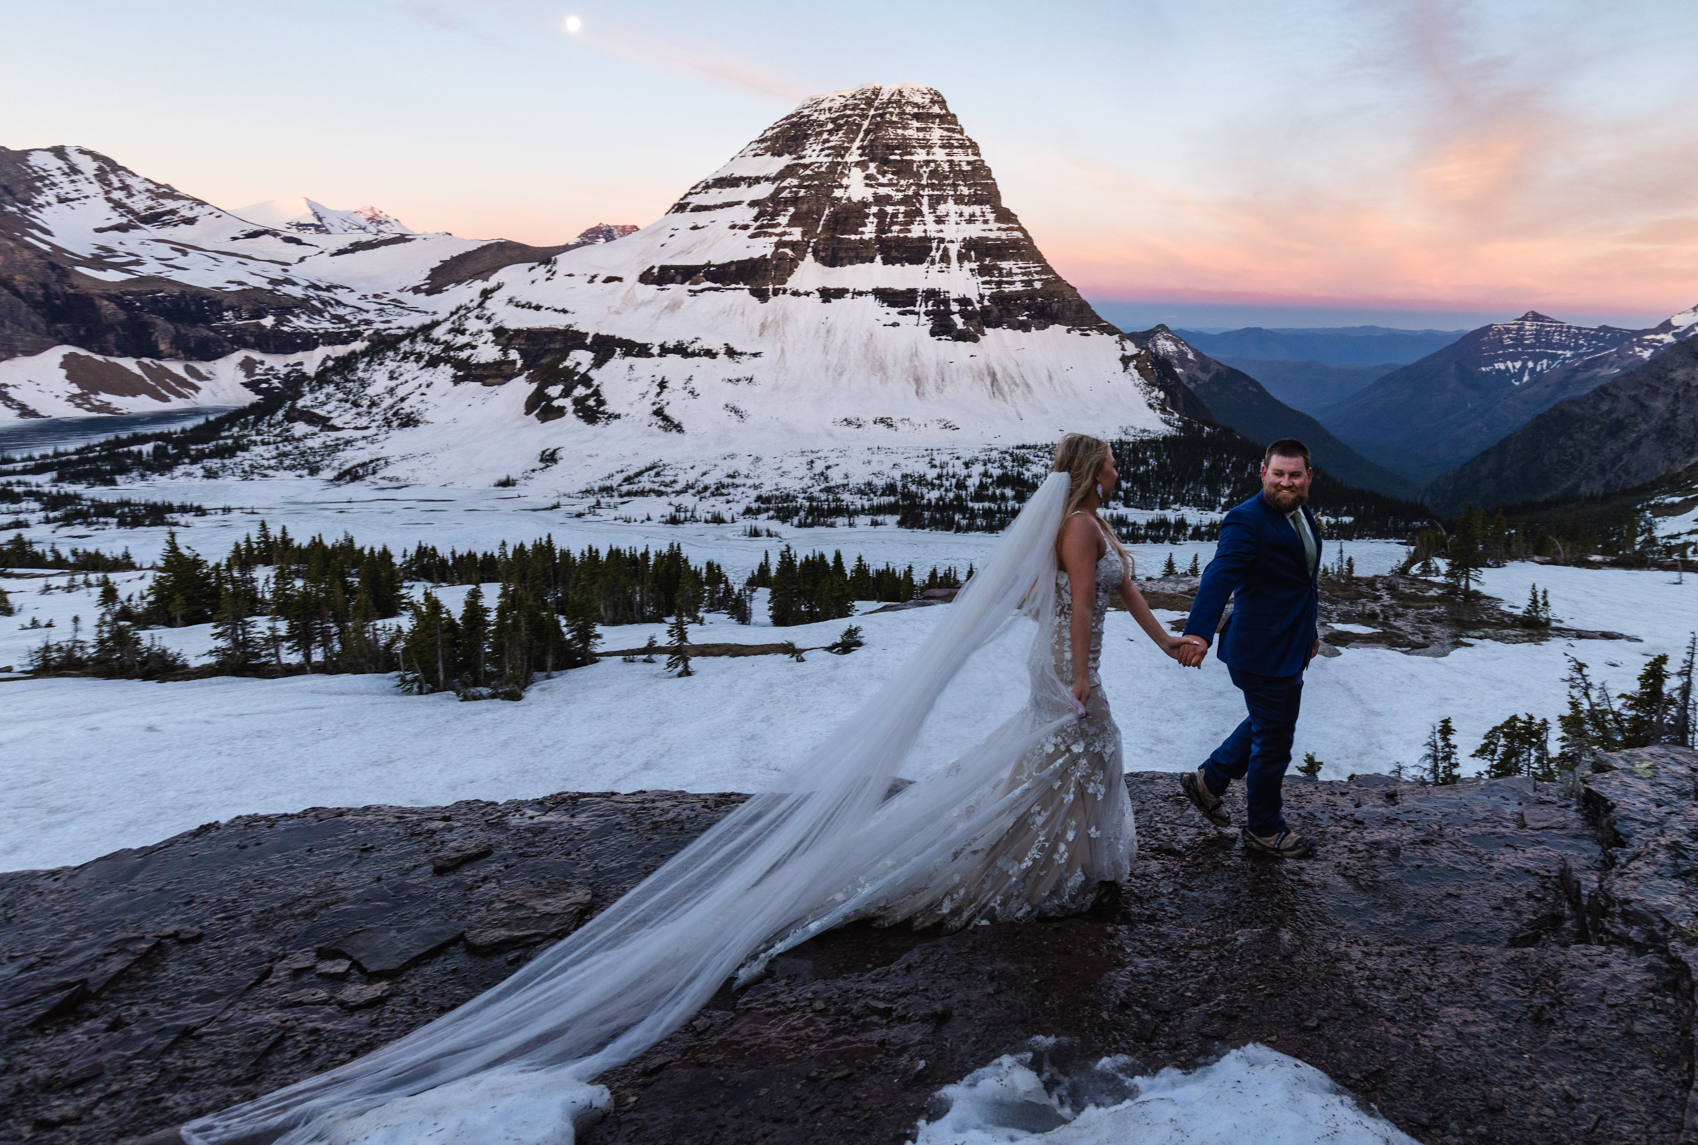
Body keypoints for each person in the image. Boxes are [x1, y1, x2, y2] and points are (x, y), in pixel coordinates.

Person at [181, 433, 1194, 1145]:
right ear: (1088, 466)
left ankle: (1069, 861)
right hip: (1067, 675)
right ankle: (1045, 865)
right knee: (1069, 752)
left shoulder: (1097, 525)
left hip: (1080, 668)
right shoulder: (1072, 532)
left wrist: (1174, 640)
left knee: (1073, 764)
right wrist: (1074, 675)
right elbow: (1065, 607)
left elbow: (1127, 595)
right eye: (1107, 459)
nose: (1115, 469)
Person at [1175, 438, 1323, 860]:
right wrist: (1199, 632)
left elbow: (1303, 583)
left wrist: (1309, 629)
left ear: (1308, 477)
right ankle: (1263, 828)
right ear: (1263, 473)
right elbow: (1219, 575)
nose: (1286, 482)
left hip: (1289, 644)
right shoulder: (1246, 520)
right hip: (1259, 651)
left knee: (1266, 722)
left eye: (1295, 475)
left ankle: (1209, 781)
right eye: (1278, 473)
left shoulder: (1300, 512)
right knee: (1274, 739)